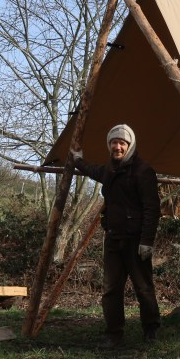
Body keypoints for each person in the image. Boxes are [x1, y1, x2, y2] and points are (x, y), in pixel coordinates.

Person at [71, 124, 161, 347]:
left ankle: (151, 330)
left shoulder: (143, 171)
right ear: (109, 145)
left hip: (136, 241)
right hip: (113, 239)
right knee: (111, 289)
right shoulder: (110, 170)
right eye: (114, 142)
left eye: (122, 143)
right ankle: (113, 334)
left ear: (130, 145)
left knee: (143, 287)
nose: (117, 146)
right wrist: (78, 161)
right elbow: (93, 170)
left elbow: (152, 208)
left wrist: (147, 241)